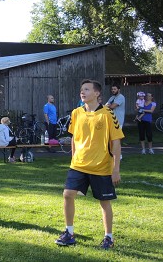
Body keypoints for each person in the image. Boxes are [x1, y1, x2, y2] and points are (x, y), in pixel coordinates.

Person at [55, 79, 123, 250]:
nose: (82, 92)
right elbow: (74, 138)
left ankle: (109, 238)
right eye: (81, 89)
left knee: (104, 202)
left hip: (101, 167)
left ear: (97, 93)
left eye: (86, 89)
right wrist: (73, 157)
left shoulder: (107, 114)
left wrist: (116, 169)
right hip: (78, 164)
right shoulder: (76, 113)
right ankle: (69, 233)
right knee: (68, 194)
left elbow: (116, 143)